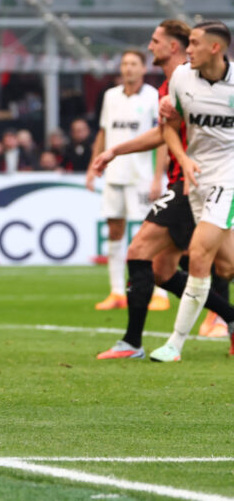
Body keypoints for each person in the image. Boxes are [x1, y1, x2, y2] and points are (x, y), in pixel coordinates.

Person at [92, 20, 234, 360]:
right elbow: (165, 131)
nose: (150, 46)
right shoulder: (176, 84)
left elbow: (164, 134)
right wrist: (114, 151)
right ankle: (228, 317)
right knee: (168, 270)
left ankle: (134, 343)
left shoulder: (184, 80)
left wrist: (119, 151)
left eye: (155, 41)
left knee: (140, 250)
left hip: (197, 183)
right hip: (185, 179)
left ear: (174, 46)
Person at [149, 22, 234, 362]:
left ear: (215, 48)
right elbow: (169, 128)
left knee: (198, 255)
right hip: (195, 177)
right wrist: (182, 157)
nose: (188, 50)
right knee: (226, 265)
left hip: (228, 179)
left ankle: (174, 344)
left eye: (195, 44)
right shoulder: (182, 79)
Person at [85, 49, 164, 311]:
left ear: (143, 69)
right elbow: (103, 133)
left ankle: (158, 294)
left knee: (149, 234)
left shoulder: (153, 97)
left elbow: (162, 138)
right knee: (115, 231)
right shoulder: (110, 96)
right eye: (124, 63)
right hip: (114, 175)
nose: (128, 68)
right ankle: (117, 291)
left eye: (133, 64)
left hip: (141, 176)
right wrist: (92, 166)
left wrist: (157, 177)